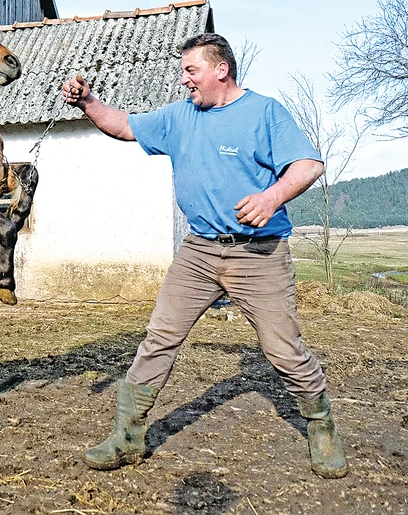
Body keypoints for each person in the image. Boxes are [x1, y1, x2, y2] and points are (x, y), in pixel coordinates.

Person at [62, 33, 348, 479]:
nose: (184, 81)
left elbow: (308, 165)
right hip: (198, 251)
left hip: (260, 255)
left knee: (282, 350)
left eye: (190, 71)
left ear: (221, 69)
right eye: (183, 72)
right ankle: (127, 434)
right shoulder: (181, 116)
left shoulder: (265, 113)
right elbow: (123, 125)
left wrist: (271, 197)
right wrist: (89, 102)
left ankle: (321, 425)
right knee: (159, 337)